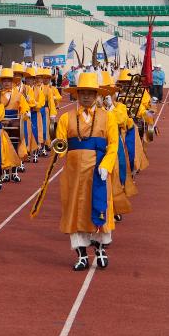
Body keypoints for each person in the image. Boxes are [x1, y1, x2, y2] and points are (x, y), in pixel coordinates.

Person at [49, 71, 119, 270]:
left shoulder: (108, 118)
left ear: (97, 94)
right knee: (75, 210)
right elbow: (61, 146)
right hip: (73, 173)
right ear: (76, 94)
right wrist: (56, 146)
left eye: (90, 92)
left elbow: (113, 145)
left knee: (99, 208)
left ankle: (99, 249)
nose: (86, 96)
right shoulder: (66, 118)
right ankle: (81, 254)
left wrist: (106, 164)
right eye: (82, 92)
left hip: (98, 172)